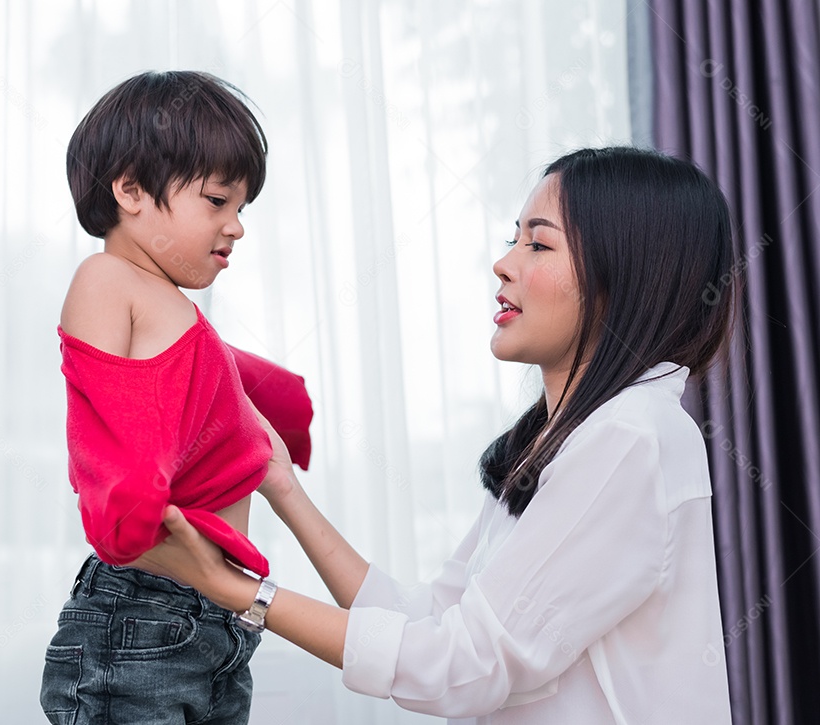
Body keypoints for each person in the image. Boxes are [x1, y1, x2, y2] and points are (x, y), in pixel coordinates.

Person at [146, 146, 737, 723]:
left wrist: (236, 591)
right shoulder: (561, 440)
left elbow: (465, 665)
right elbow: (429, 617)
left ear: (625, 276)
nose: (505, 263)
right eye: (515, 239)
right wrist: (282, 484)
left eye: (539, 243)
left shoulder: (631, 437)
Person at [39, 70, 314, 725]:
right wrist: (128, 519)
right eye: (218, 200)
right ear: (130, 189)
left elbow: (218, 381)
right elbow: (109, 413)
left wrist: (285, 418)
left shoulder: (175, 310)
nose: (236, 226)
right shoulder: (108, 279)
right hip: (141, 612)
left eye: (242, 207)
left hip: (214, 618)